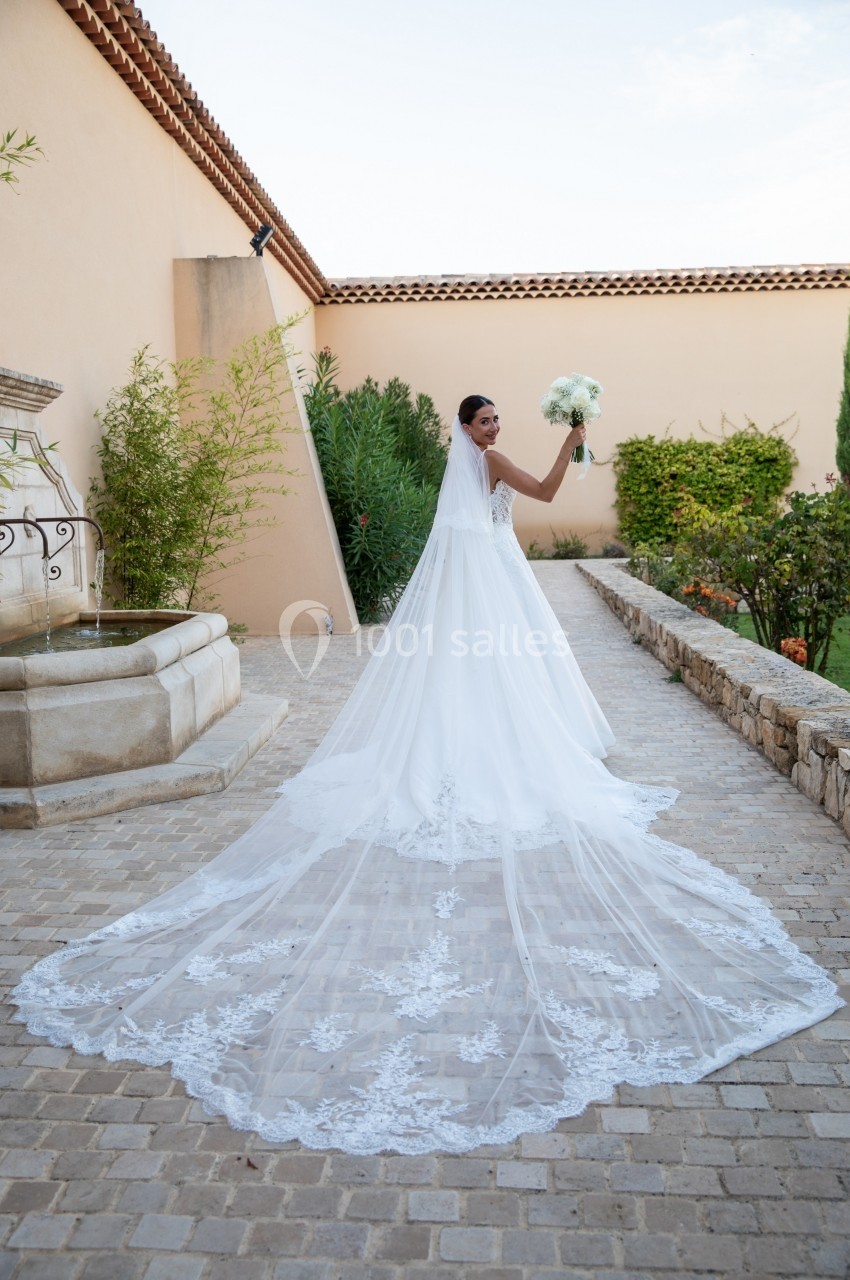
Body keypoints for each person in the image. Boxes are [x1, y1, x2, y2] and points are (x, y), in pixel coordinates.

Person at [11, 397, 843, 1157]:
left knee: (474, 681)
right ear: (466, 430)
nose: (493, 429)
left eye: (498, 420)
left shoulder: (464, 473)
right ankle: (492, 760)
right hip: (498, 588)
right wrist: (573, 441)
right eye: (485, 421)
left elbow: (495, 521)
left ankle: (469, 754)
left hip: (482, 585)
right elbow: (548, 494)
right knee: (503, 680)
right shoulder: (487, 467)